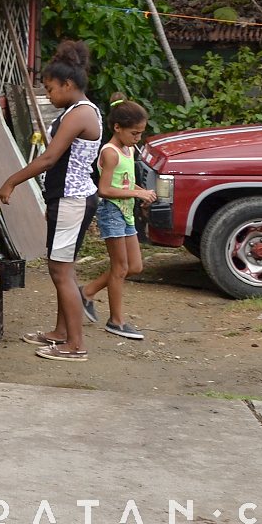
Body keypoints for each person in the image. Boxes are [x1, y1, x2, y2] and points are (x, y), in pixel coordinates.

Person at [0, 41, 101, 362]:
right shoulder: (79, 111)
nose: (49, 95)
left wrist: (11, 181)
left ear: (68, 85)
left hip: (73, 200)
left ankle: (76, 345)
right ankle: (60, 333)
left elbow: (50, 158)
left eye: (51, 89)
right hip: (68, 199)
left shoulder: (79, 114)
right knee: (62, 268)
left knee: (61, 272)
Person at [80, 94, 155, 340]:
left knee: (134, 266)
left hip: (126, 212)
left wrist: (140, 194)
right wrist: (136, 192)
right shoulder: (110, 152)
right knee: (120, 268)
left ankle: (87, 291)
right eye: (134, 133)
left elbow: (127, 180)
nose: (138, 138)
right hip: (112, 211)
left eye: (141, 133)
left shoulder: (128, 148)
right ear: (117, 127)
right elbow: (103, 189)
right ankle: (116, 321)